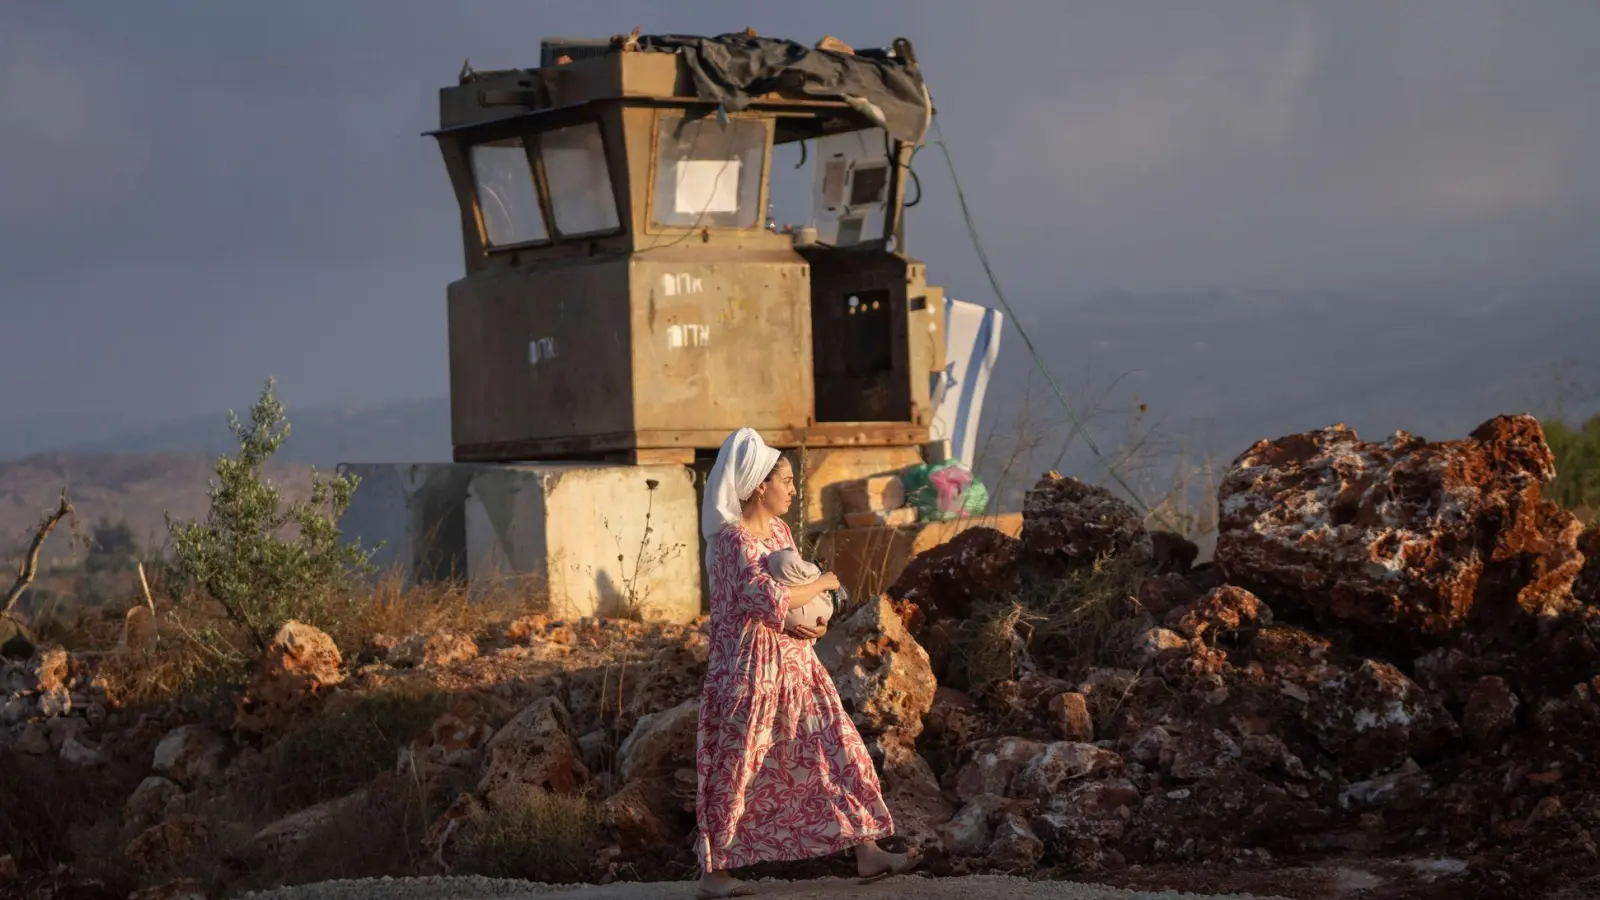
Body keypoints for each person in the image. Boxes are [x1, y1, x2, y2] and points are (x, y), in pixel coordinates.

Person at [694, 428, 920, 898]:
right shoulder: (735, 541)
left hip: (796, 663)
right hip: (750, 671)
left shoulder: (778, 531)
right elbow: (766, 597)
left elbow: (792, 592)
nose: (794, 490)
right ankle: (714, 874)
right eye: (788, 481)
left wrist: (813, 623)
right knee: (740, 765)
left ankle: (867, 850)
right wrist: (826, 583)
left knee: (837, 745)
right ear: (760, 486)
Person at [763, 547, 836, 634]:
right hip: (761, 643)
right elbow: (774, 599)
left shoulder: (781, 534)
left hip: (801, 644)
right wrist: (822, 584)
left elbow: (800, 571)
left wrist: (820, 628)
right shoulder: (745, 544)